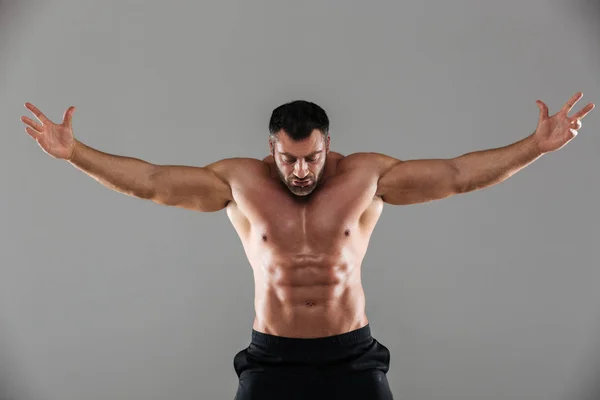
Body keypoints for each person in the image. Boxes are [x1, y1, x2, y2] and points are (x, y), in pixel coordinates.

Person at [21, 92, 594, 399]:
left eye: (312, 157)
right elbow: (150, 182)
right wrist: (77, 154)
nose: (300, 170)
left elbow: (457, 173)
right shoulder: (238, 182)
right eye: (288, 158)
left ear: (329, 147)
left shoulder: (367, 176)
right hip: (272, 358)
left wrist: (534, 147)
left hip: (351, 357)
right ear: (270, 149)